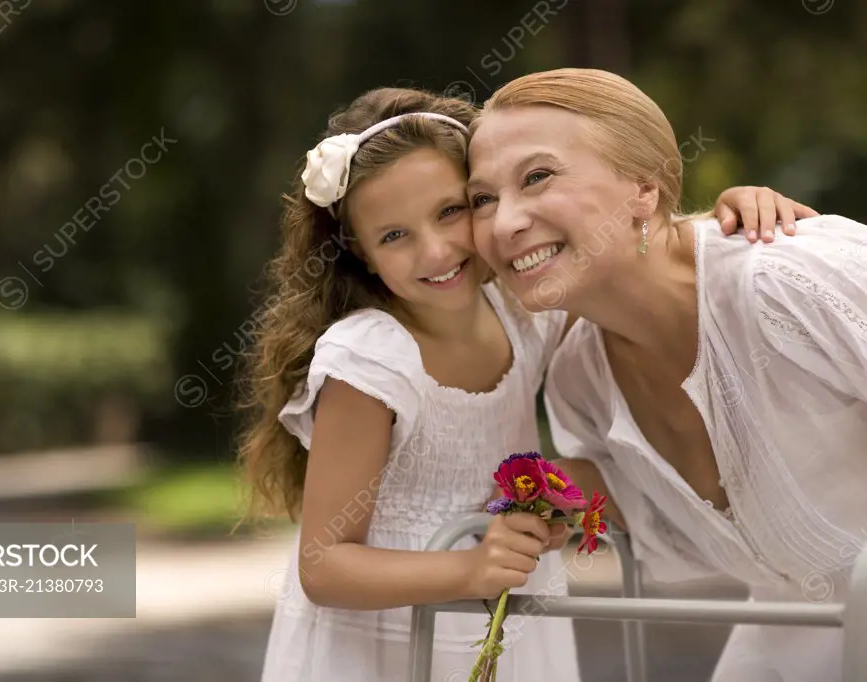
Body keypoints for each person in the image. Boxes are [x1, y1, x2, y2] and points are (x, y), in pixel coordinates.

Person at [235, 85, 813, 682]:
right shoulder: (370, 361)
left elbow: (624, 262)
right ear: (359, 253)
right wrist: (469, 570)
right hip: (386, 640)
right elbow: (325, 567)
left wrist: (727, 217)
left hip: (508, 615)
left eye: (450, 211)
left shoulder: (522, 310)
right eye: (394, 235)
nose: (436, 251)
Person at [467, 67, 866, 682]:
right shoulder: (579, 380)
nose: (502, 224)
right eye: (482, 199)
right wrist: (523, 497)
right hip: (804, 638)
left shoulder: (784, 279)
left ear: (644, 190)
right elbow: (629, 499)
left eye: (538, 176)